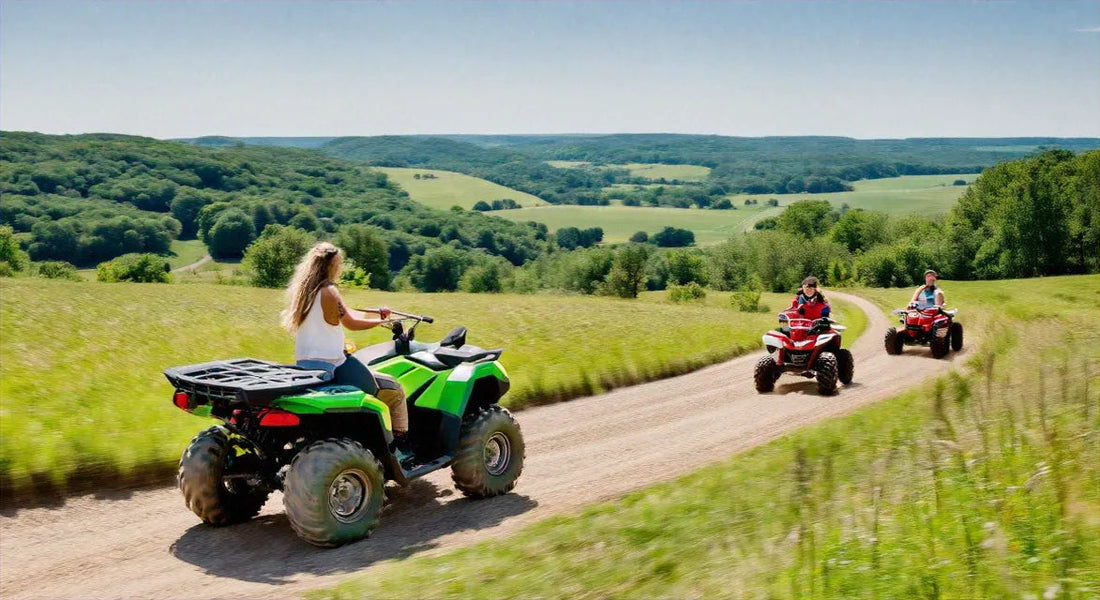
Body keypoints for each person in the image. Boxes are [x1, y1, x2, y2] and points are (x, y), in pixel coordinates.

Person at [281, 242, 410, 448]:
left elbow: (346, 313)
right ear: (330, 265)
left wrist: (376, 313)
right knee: (393, 390)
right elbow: (351, 322)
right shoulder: (329, 290)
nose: (340, 268)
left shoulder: (305, 292)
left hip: (306, 364)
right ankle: (397, 445)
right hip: (334, 363)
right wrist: (384, 322)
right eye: (338, 264)